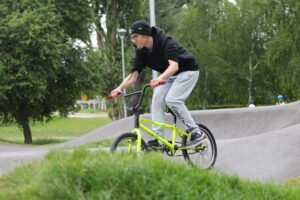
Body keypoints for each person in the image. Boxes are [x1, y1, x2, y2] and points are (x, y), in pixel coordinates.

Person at [110, 20, 206, 148]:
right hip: (169, 76)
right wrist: (119, 88)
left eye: (135, 37)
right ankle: (159, 140)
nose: (133, 41)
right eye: (132, 38)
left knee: (172, 99)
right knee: (156, 100)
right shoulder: (141, 52)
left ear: (144, 35)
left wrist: (159, 78)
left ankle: (196, 132)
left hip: (187, 71)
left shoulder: (166, 42)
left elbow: (174, 66)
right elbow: (133, 75)